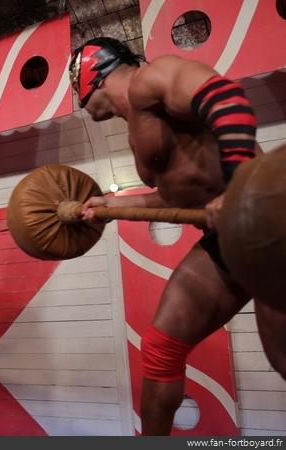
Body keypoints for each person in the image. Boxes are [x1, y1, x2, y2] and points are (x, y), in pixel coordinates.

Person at [70, 37, 283, 435]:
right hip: (228, 242)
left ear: (91, 72)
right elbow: (175, 194)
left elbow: (227, 100)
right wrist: (111, 206)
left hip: (270, 221)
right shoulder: (138, 123)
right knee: (162, 347)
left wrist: (238, 188)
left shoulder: (150, 80)